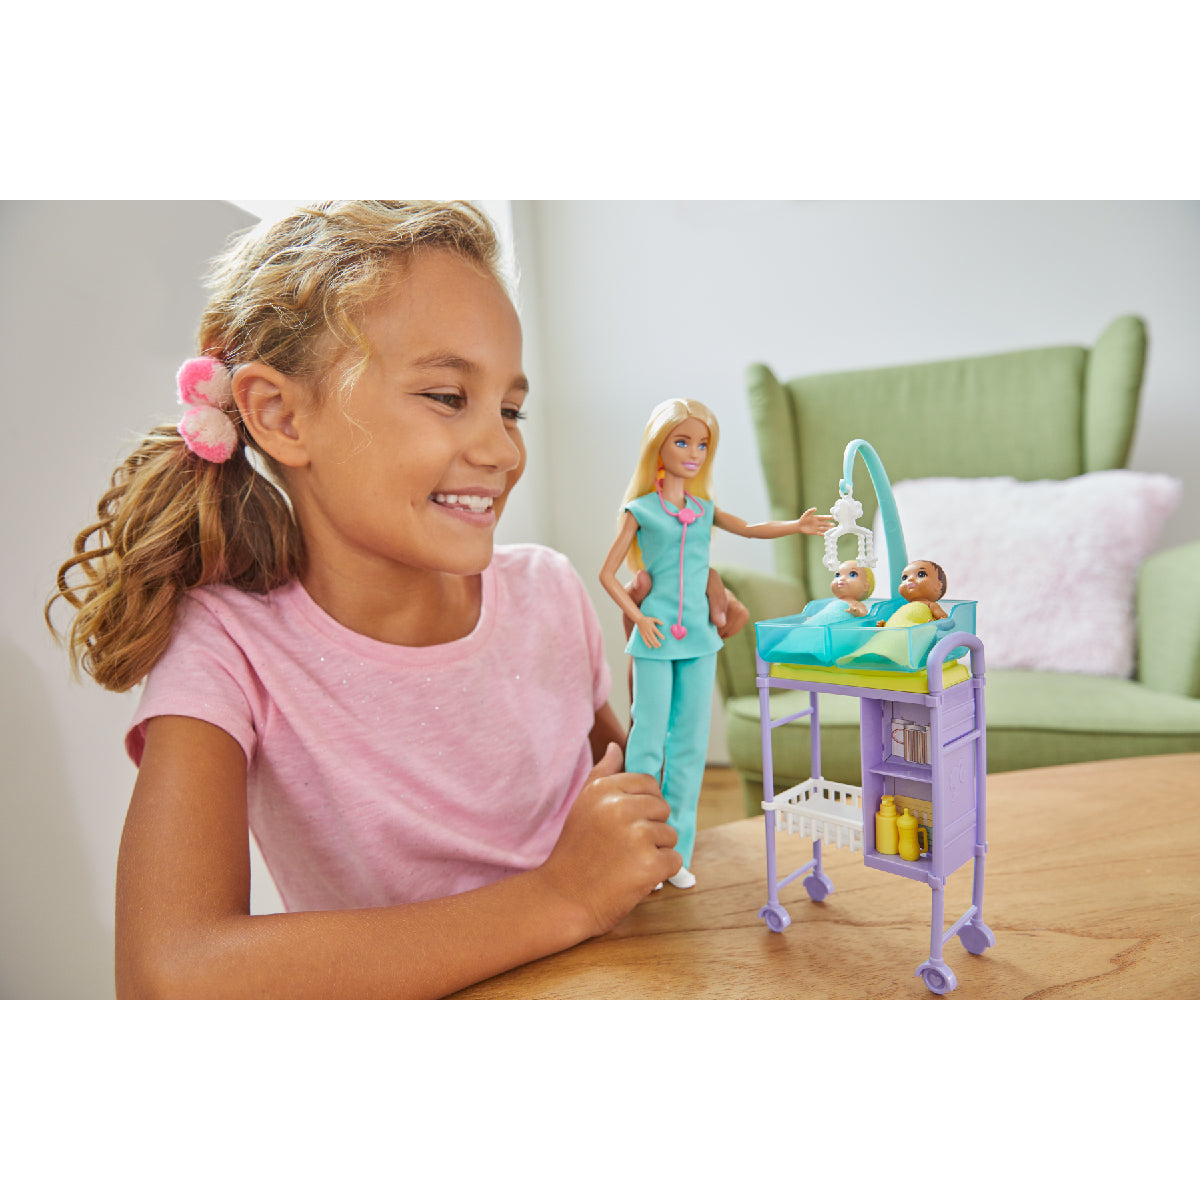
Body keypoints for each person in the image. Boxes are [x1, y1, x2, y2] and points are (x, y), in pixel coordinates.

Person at [46, 201, 684, 999]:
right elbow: (166, 975)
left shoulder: (549, 592)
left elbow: (638, 829)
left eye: (509, 408)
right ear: (280, 415)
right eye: (447, 396)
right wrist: (559, 899)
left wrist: (672, 673)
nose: (502, 449)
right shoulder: (229, 649)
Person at [598, 399, 833, 888]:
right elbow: (607, 574)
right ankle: (639, 851)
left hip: (700, 641)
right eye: (683, 442)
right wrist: (639, 617)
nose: (694, 453)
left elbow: (749, 529)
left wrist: (797, 526)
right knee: (647, 742)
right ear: (658, 446)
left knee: (688, 748)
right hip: (655, 638)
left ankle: (675, 856)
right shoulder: (641, 510)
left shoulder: (704, 510)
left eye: (702, 445)